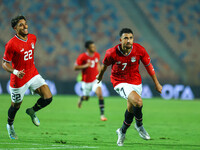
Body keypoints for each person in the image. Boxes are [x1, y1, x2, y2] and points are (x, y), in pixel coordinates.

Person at [96, 28, 162, 146]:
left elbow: (148, 66)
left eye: (131, 38)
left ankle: (122, 131)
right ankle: (139, 125)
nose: (129, 40)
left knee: (131, 110)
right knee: (138, 101)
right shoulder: (111, 52)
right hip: (119, 82)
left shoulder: (139, 50)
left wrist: (157, 83)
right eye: (126, 38)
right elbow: (104, 65)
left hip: (136, 82)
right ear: (120, 40)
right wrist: (100, 76)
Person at [2, 15, 53, 139]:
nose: (25, 26)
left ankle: (32, 111)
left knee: (48, 98)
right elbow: (4, 63)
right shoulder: (11, 44)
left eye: (25, 23)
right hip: (18, 80)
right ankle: (10, 125)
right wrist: (15, 72)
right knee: (16, 106)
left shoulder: (32, 38)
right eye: (21, 25)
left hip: (33, 74)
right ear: (15, 28)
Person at [74, 41, 107, 121]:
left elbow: (98, 64)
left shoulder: (97, 55)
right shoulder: (82, 57)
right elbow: (75, 67)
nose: (94, 48)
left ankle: (102, 115)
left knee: (100, 94)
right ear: (88, 49)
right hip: (86, 81)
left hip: (95, 79)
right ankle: (81, 98)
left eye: (94, 46)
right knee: (86, 98)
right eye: (92, 47)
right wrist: (85, 66)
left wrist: (100, 74)